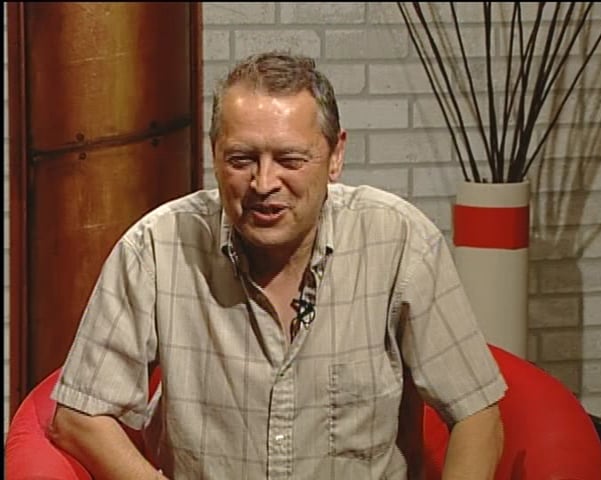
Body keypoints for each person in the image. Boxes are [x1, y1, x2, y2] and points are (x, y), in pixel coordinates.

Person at [48, 51, 506, 479]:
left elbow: (478, 414)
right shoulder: (156, 247)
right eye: (241, 159)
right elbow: (79, 417)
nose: (264, 183)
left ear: (335, 156)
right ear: (214, 154)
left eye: (290, 159)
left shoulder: (400, 240)